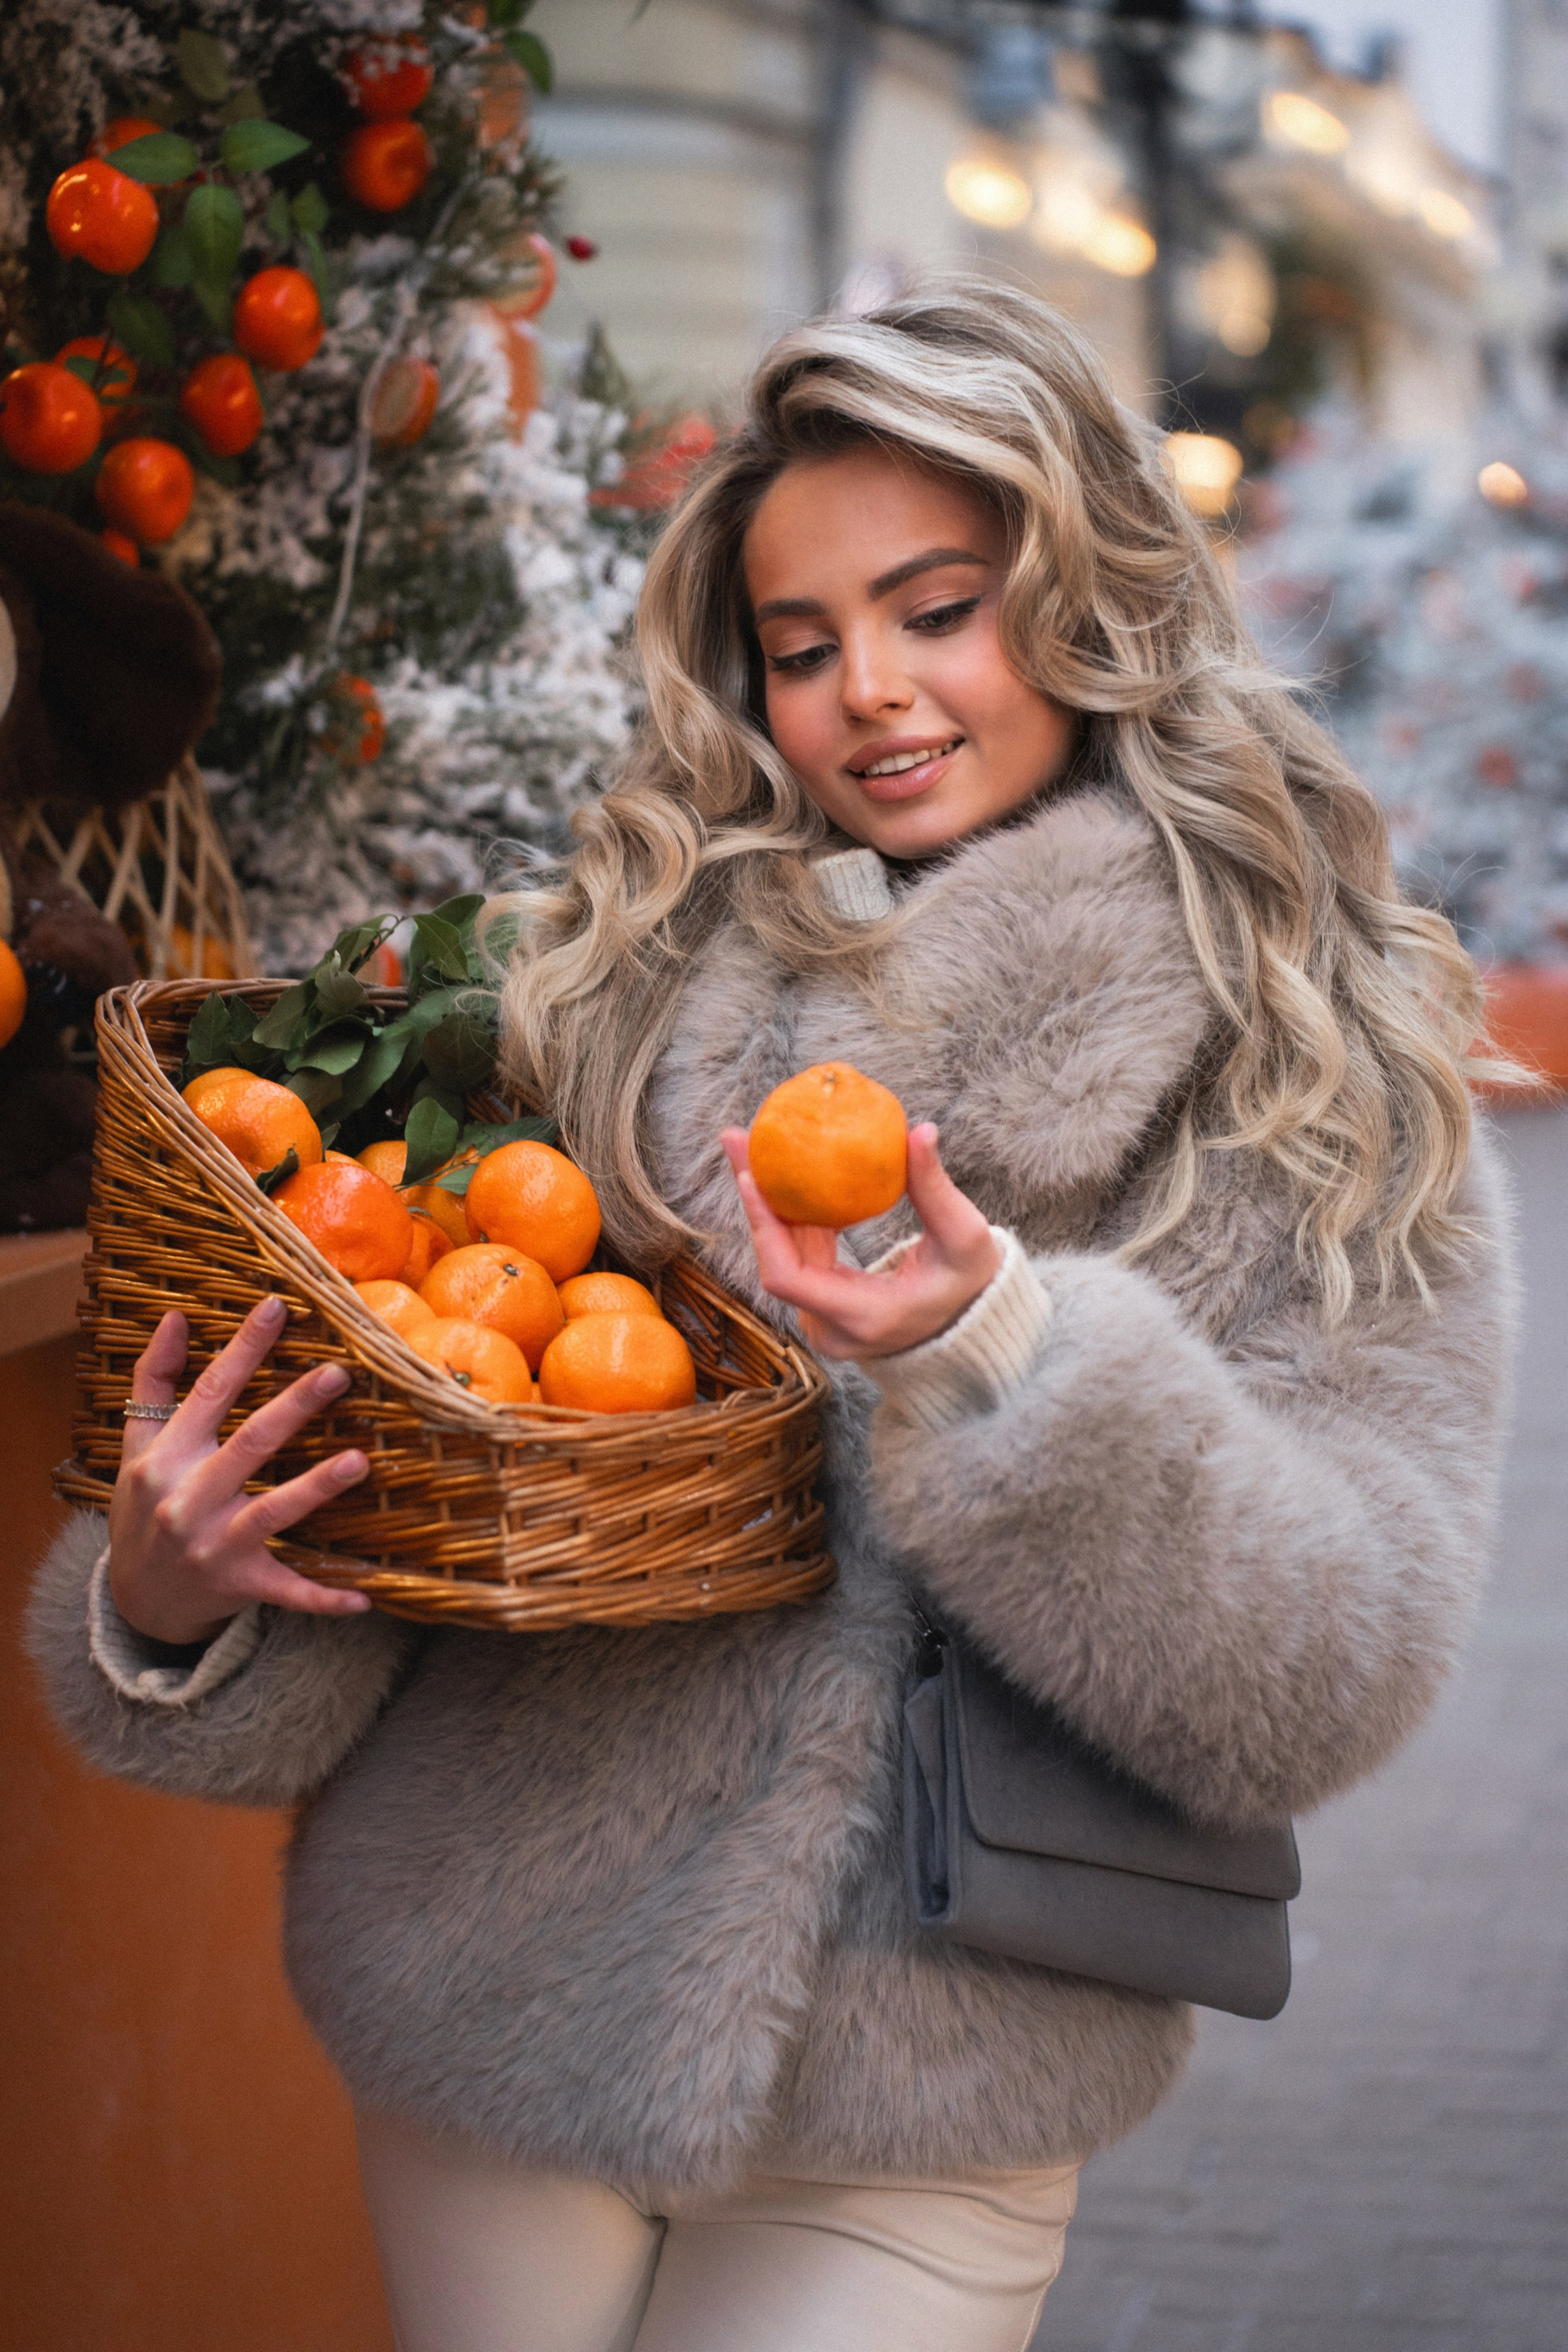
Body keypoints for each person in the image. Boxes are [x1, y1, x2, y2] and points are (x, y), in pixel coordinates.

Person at [29, 285, 1513, 2352]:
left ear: (1090, 595)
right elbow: (461, 1458)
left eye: (937, 608)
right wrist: (182, 1609)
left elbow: (1334, 1669)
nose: (868, 698)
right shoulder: (611, 984)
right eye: (803, 646)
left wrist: (1007, 1356)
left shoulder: (1313, 1064)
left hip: (941, 2059)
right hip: (486, 1989)